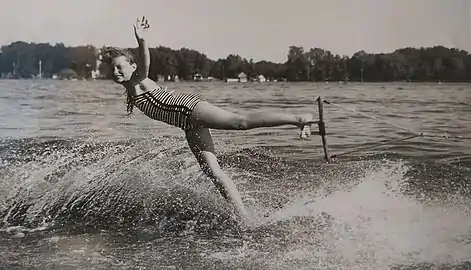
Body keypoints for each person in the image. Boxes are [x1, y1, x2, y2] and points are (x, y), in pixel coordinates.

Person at [101, 16, 316, 223]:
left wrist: (142, 40)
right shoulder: (130, 90)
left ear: (132, 67)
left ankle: (298, 118)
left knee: (239, 122)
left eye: (120, 66)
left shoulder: (139, 80)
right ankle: (245, 218)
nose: (116, 71)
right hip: (187, 124)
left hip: (189, 108)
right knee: (213, 172)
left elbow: (146, 63)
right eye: (113, 68)